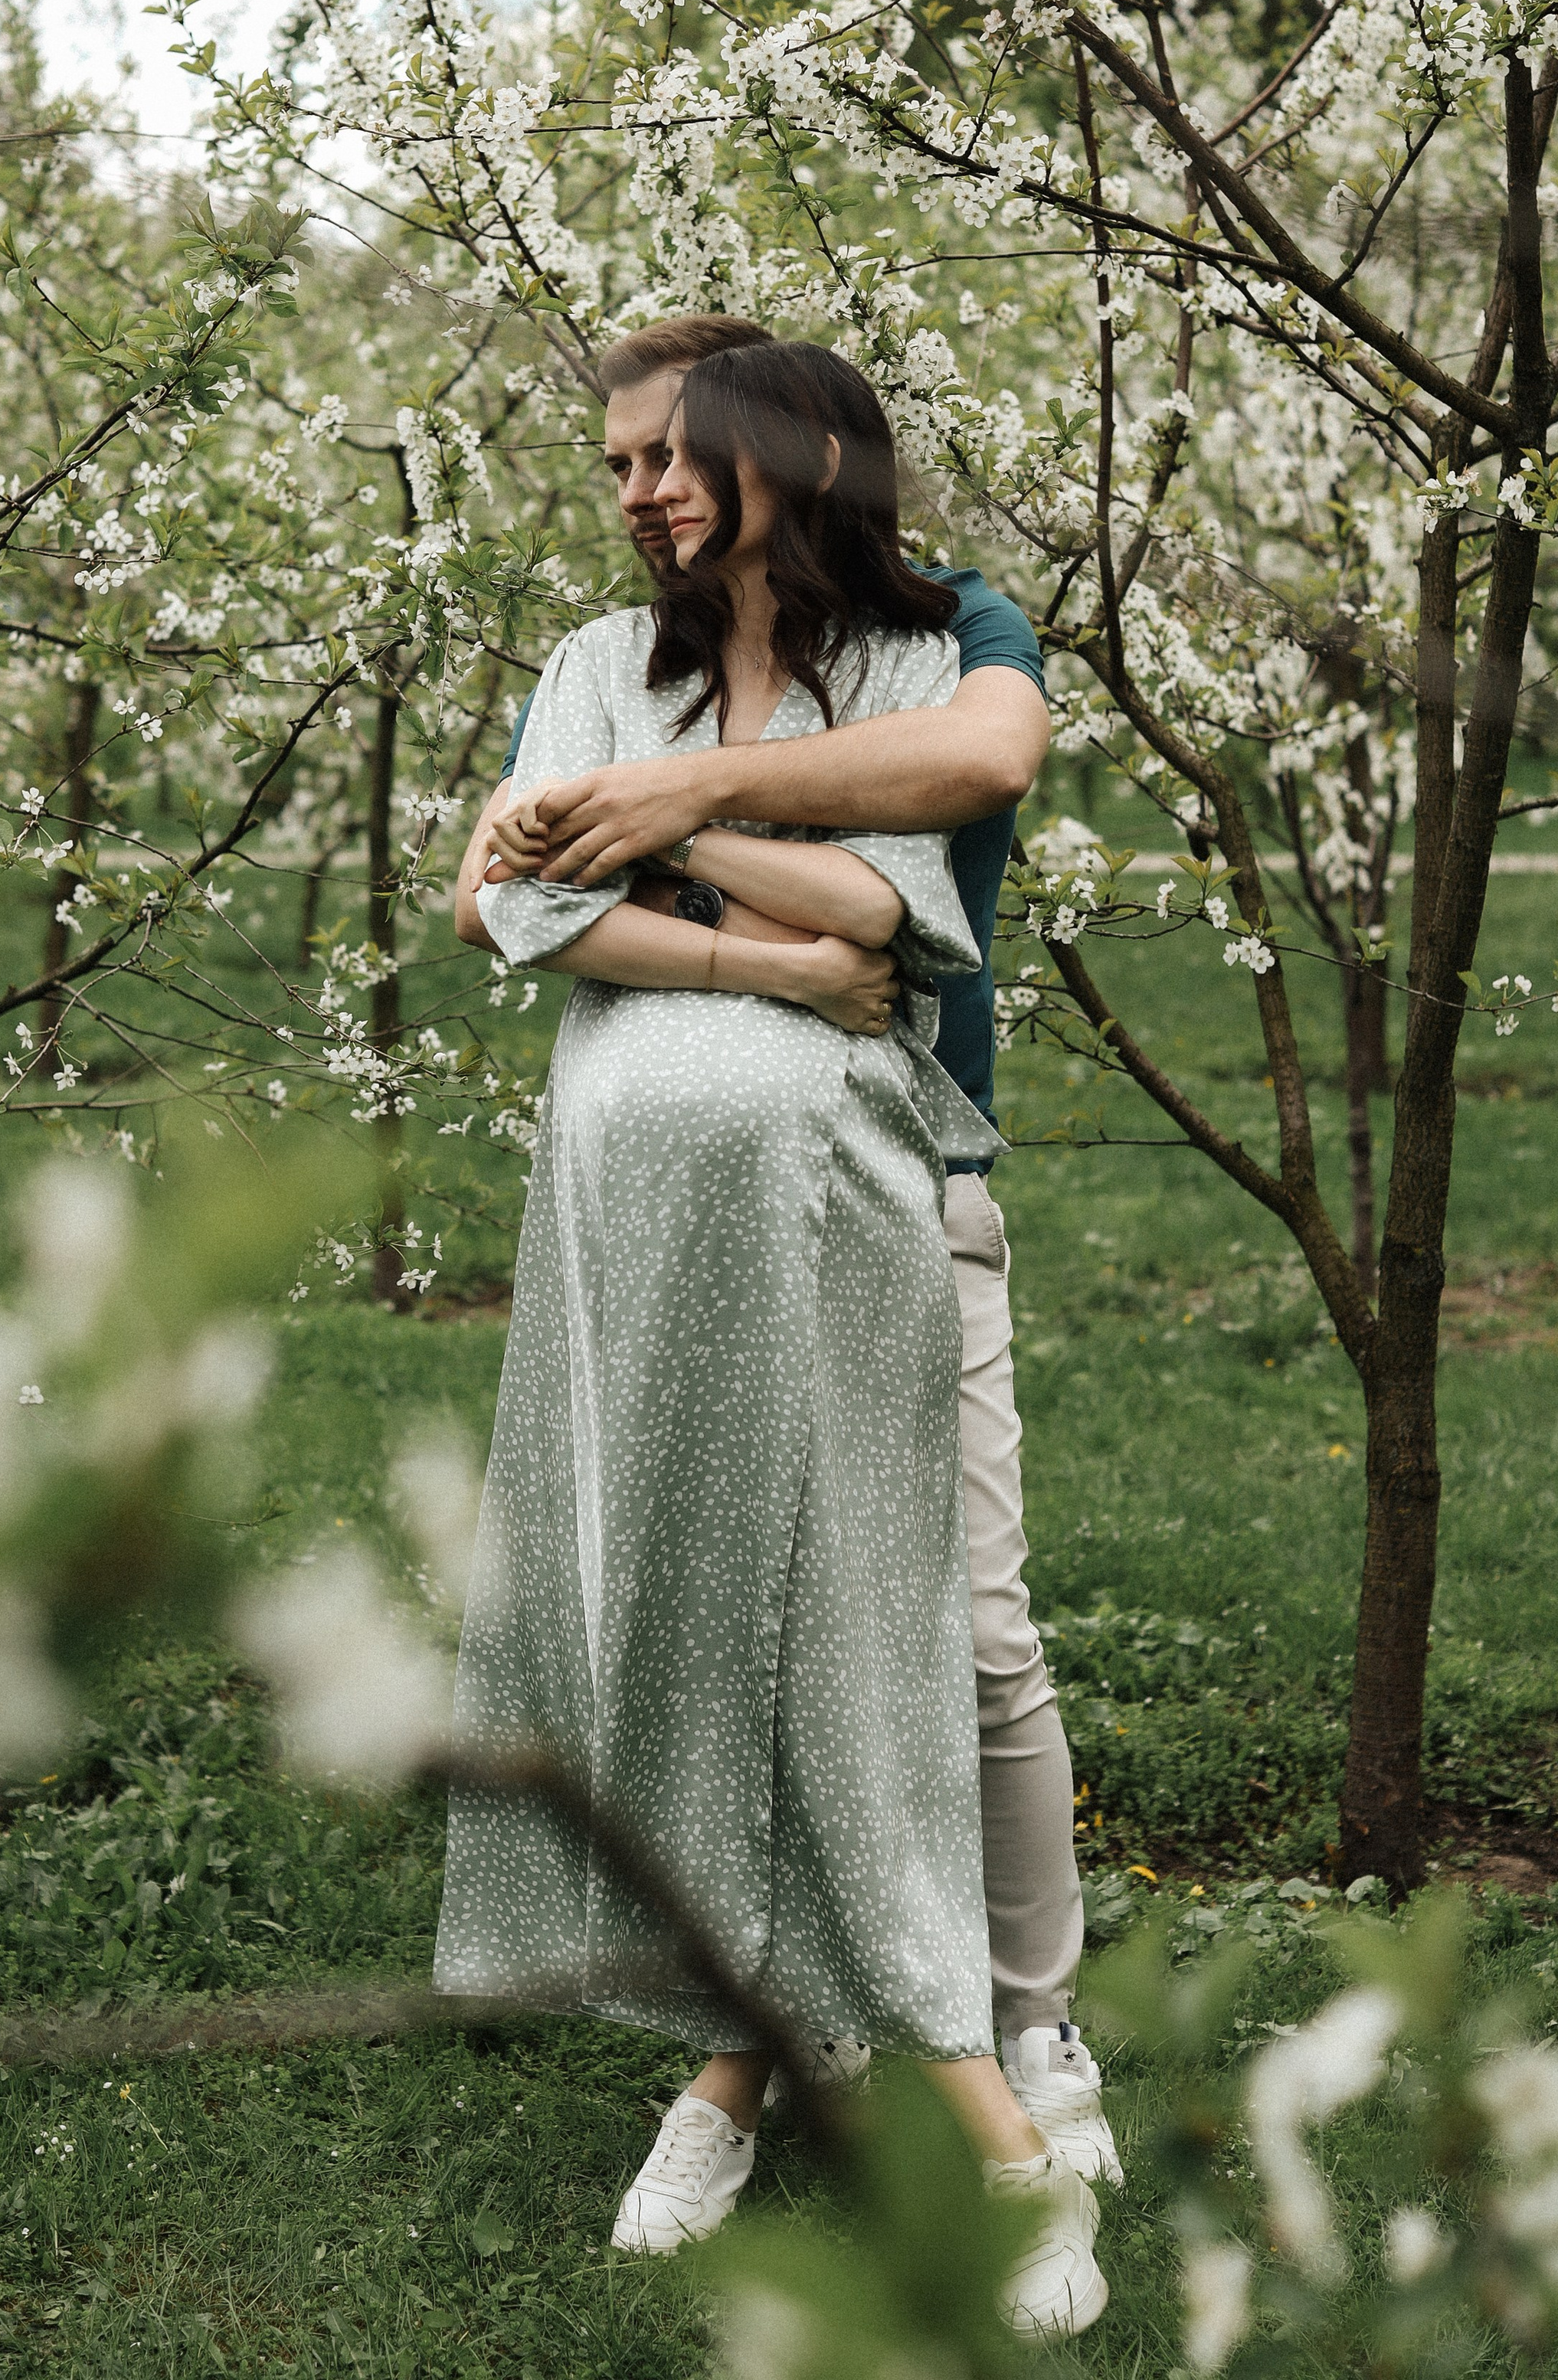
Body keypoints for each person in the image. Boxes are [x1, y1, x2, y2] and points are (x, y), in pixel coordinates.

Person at [435, 340, 1107, 2336]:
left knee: (935, 1633)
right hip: (639, 1237)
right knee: (708, 1618)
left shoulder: (938, 636)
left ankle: (1013, 2049)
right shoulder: (596, 656)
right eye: (619, 459)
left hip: (891, 1203)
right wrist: (748, 929)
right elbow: (508, 897)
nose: (638, 487)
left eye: (671, 454)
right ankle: (747, 2054)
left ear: (783, 456)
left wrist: (658, 815)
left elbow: (909, 881)